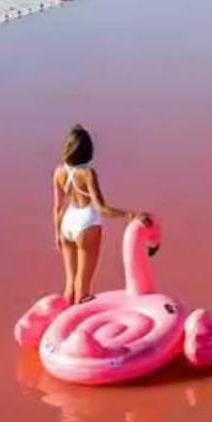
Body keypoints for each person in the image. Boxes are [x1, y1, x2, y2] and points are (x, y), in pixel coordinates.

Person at [52, 124, 145, 305]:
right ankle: (78, 325)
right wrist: (131, 215)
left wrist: (57, 234)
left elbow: (57, 207)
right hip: (86, 223)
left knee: (70, 283)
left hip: (67, 222)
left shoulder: (58, 172)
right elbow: (101, 208)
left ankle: (64, 324)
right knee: (83, 285)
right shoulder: (87, 173)